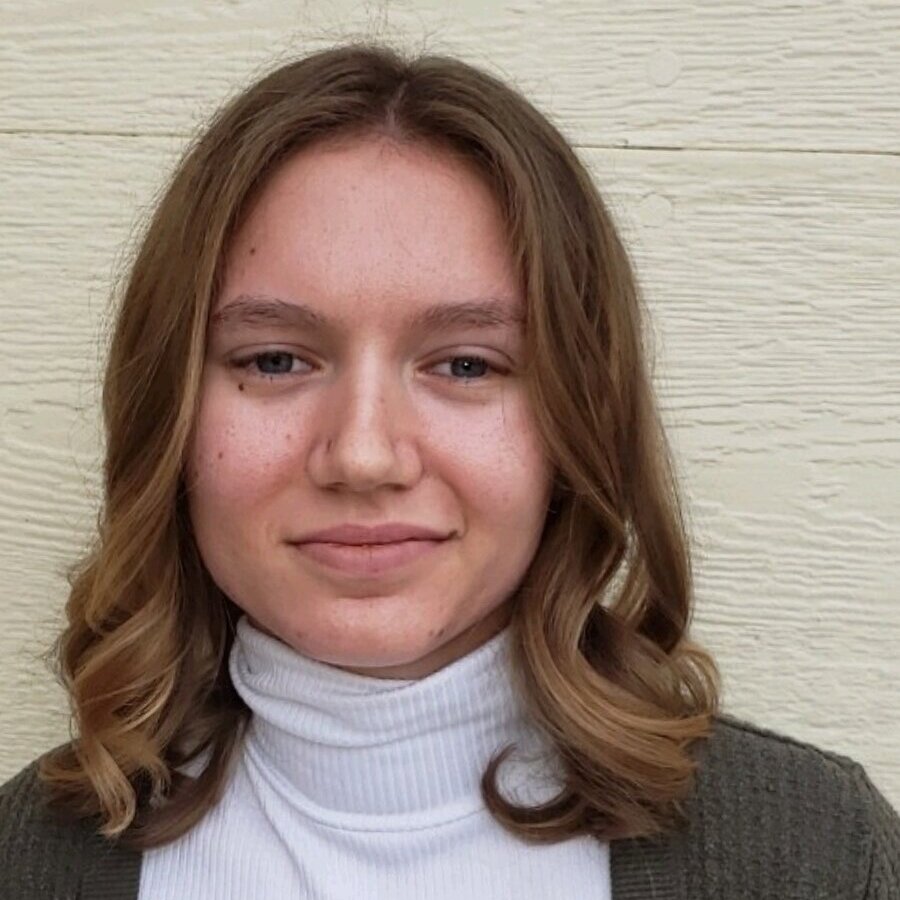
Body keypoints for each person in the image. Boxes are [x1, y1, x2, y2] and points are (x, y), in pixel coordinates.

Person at [0, 41, 897, 900]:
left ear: (580, 420)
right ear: (168, 414)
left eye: (466, 364)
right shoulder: (25, 862)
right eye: (274, 360)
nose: (362, 455)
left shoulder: (818, 857)